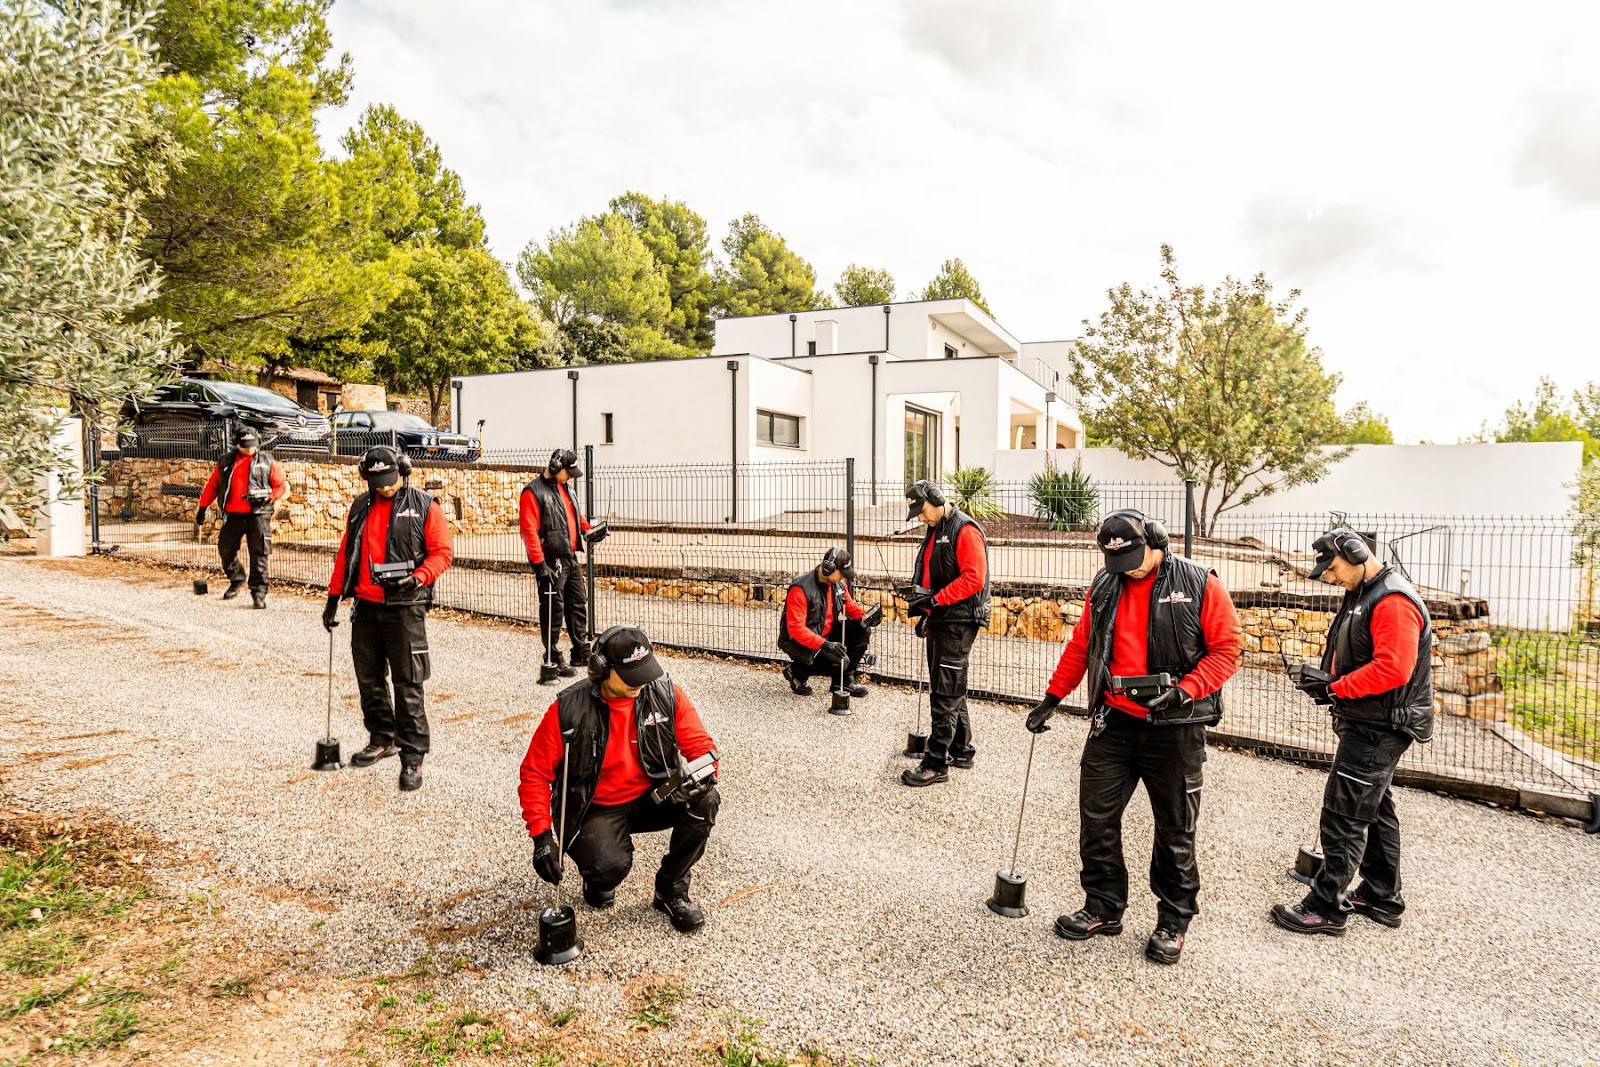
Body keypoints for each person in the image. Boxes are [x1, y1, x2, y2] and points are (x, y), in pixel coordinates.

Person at [1025, 510, 1241, 965]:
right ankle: (1103, 906)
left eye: (1135, 560)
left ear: (1158, 541)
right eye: (1116, 562)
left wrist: (1185, 692)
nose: (1127, 572)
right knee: (1096, 818)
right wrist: (1052, 696)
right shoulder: (1106, 585)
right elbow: (1083, 644)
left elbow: (1226, 652)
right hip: (1114, 722)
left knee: (1175, 829)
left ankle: (1174, 919)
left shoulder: (1200, 583)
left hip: (1177, 729)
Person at [1271, 528, 1434, 937]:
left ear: (1357, 554)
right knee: (1374, 809)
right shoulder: (1365, 592)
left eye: (1333, 567)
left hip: (1381, 725)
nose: (1328, 576)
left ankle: (1326, 907)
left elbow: (1393, 669)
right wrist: (1327, 679)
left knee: (1344, 813)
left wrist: (1335, 688)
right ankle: (1382, 896)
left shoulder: (1392, 600)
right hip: (1372, 719)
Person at [518, 625, 719, 933]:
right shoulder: (568, 708)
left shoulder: (665, 693)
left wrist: (702, 777)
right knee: (606, 871)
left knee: (705, 800)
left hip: (655, 794)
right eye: (631, 675)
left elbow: (702, 746)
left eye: (645, 671)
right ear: (600, 669)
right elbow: (534, 772)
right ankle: (598, 875)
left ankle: (671, 889)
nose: (642, 682)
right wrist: (542, 837)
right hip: (595, 806)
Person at [323, 446, 453, 792]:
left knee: (408, 683)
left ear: (403, 470)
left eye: (389, 480)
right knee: (370, 680)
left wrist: (419, 577)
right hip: (366, 606)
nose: (385, 487)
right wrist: (334, 598)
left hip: (406, 607)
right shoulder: (360, 507)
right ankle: (382, 737)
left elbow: (443, 553)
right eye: (377, 482)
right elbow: (346, 553)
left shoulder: (426, 505)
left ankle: (413, 757)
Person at [900, 479, 990, 787]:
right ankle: (961, 749)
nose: (920, 518)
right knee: (949, 684)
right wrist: (925, 608)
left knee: (944, 692)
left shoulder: (964, 530)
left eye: (922, 511)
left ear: (937, 499)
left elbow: (973, 579)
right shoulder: (935, 529)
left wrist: (935, 600)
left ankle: (936, 764)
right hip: (941, 616)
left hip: (959, 621)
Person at [519, 448, 606, 676]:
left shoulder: (565, 489)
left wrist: (590, 531)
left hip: (570, 558)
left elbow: (575, 518)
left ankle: (580, 651)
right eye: (568, 472)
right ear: (556, 467)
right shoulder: (533, 493)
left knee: (578, 603)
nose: (570, 476)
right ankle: (553, 656)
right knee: (553, 610)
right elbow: (529, 532)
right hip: (550, 561)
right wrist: (539, 566)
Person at [194, 429, 285, 609]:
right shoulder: (226, 461)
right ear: (237, 444)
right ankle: (237, 579)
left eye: (252, 447)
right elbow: (213, 485)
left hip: (259, 514)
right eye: (245, 447)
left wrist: (272, 496)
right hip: (234, 515)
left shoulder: (267, 462)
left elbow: (280, 485)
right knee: (225, 549)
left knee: (259, 555)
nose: (249, 450)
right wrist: (202, 507)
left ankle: (259, 594)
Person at [778, 547, 882, 697]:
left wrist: (865, 617)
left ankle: (843, 682)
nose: (843, 577)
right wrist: (826, 645)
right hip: (798, 641)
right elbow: (796, 629)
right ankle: (797, 671)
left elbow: (848, 604)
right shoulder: (800, 589)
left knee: (862, 630)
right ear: (828, 568)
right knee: (839, 662)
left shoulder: (838, 583)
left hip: (826, 633)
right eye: (841, 573)